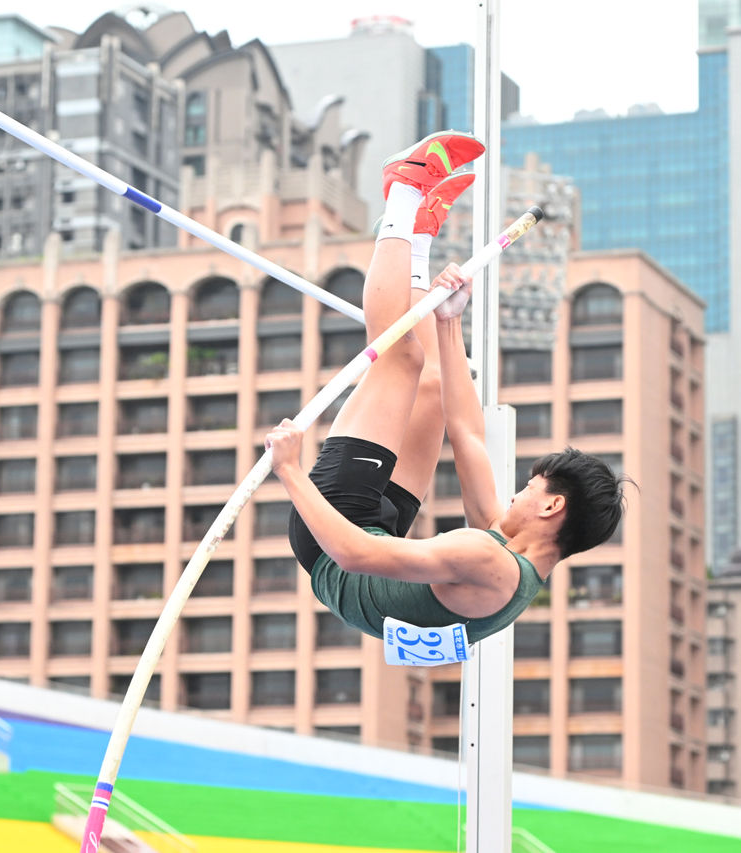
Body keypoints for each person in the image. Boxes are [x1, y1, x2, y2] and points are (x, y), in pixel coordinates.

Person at [266, 130, 629, 649]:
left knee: (400, 358)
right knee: (434, 385)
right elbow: (467, 433)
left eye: (531, 487)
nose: (519, 492)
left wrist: (289, 470)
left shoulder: (486, 562)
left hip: (335, 541)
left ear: (552, 508)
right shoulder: (504, 551)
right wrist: (449, 321)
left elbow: (355, 555)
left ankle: (402, 192)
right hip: (375, 533)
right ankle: (417, 240)